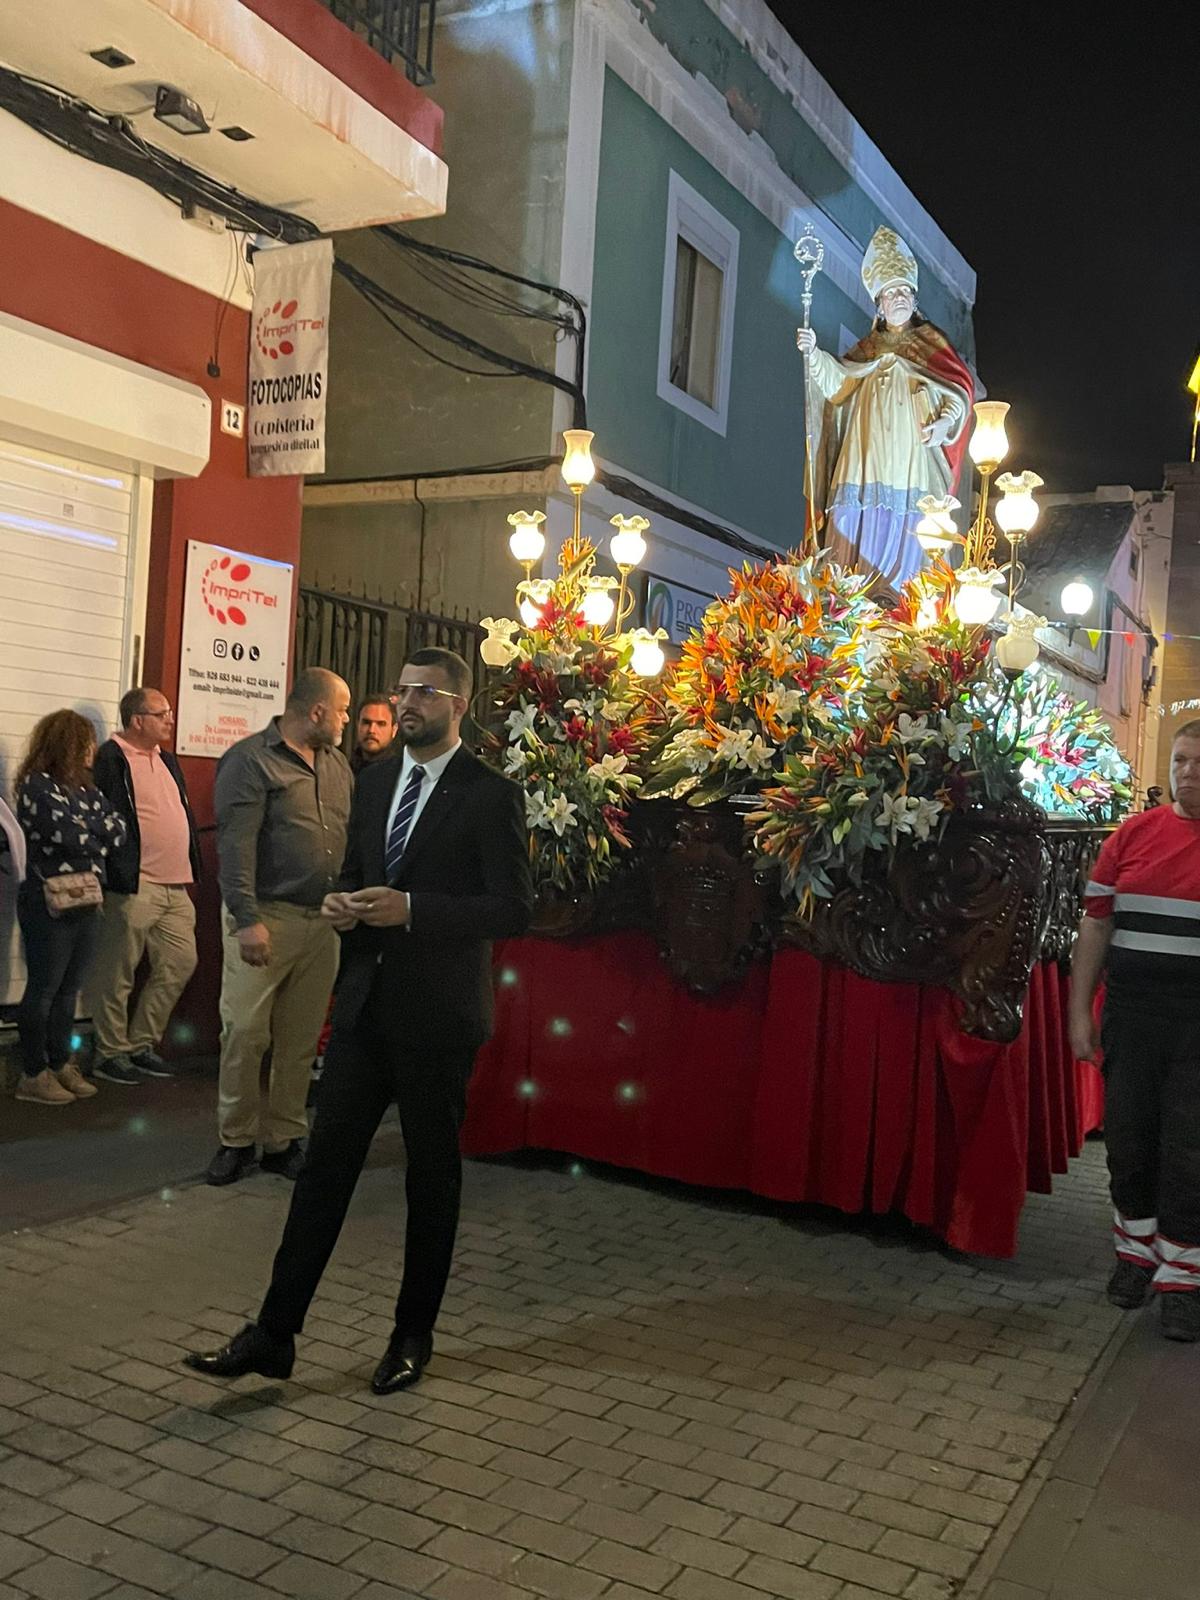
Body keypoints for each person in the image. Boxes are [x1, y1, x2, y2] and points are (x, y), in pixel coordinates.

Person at [185, 647, 533, 1393]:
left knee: (430, 1180)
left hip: (439, 1017)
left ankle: (412, 1335)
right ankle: (274, 1334)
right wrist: (343, 905)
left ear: (458, 704)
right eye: (402, 691)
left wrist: (413, 910)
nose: (407, 704)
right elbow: (354, 874)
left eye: (425, 693)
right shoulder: (373, 782)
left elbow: (512, 908)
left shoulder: (489, 795)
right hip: (366, 1008)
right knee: (323, 1174)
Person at [1070, 720, 1200, 1342]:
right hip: (1132, 1017)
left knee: (1190, 1151)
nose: (1188, 773)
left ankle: (1184, 1281)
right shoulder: (1132, 836)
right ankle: (1135, 1258)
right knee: (1129, 1143)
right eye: (1181, 761)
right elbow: (1096, 925)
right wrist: (1078, 1012)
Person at [206, 668, 353, 1186]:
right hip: (267, 917)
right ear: (316, 711)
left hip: (324, 921)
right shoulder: (250, 760)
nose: (346, 720)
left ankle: (283, 1139)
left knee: (300, 1039)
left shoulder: (337, 765)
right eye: (342, 710)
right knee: (245, 1034)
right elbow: (235, 847)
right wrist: (247, 920)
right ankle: (236, 1140)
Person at [796, 225, 974, 592]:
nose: (898, 298)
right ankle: (847, 594)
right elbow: (838, 384)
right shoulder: (866, 352)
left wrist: (944, 423)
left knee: (910, 526)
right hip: (863, 458)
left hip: (910, 462)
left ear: (914, 298)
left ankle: (900, 600)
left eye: (904, 291)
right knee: (853, 521)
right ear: (879, 304)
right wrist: (814, 354)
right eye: (890, 293)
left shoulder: (931, 345)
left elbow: (957, 392)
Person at [84, 688, 201, 1085]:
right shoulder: (111, 759)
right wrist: (116, 868)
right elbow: (102, 817)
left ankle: (140, 1043)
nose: (170, 719)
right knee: (116, 971)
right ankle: (110, 1052)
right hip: (135, 882)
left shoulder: (165, 758)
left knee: (181, 962)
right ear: (137, 720)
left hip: (176, 883)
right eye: (161, 713)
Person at [12, 710, 126, 1106]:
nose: (93, 751)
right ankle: (33, 1072)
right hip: (49, 902)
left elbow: (118, 829)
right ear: (66, 745)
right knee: (44, 988)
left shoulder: (85, 789)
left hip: (88, 898)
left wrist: (89, 831)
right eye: (86, 743)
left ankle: (60, 1062)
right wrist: (93, 833)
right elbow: (68, 836)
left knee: (69, 989)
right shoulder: (36, 786)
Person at [350, 693, 398, 773]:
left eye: (381, 724)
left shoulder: (401, 774)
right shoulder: (343, 768)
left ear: (394, 730)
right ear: (357, 725)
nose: (371, 730)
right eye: (366, 722)